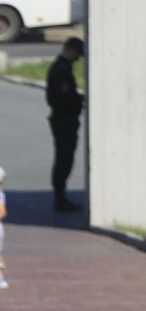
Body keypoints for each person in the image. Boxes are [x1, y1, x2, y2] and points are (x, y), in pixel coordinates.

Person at [47, 37, 85, 212]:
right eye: (77, 55)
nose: (78, 59)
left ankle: (60, 197)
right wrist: (79, 100)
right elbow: (62, 98)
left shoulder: (62, 67)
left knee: (65, 158)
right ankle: (60, 198)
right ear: (70, 50)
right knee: (64, 158)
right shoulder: (61, 70)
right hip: (64, 120)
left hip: (65, 119)